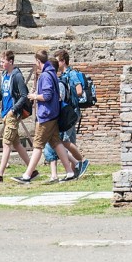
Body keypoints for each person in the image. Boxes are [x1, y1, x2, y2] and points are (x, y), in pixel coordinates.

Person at [13, 50, 77, 184]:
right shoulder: (51, 73)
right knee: (56, 143)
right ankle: (70, 171)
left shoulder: (46, 75)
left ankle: (27, 175)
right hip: (53, 114)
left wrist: (34, 96)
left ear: (37, 61)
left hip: (46, 115)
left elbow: (47, 96)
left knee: (38, 145)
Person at [0, 51, 36, 183]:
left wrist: (13, 110)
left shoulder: (17, 76)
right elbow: (1, 96)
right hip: (6, 113)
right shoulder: (4, 75)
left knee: (6, 143)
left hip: (12, 114)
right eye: (1, 61)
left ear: (11, 61)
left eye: (3, 61)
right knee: (16, 143)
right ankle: (33, 170)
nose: (1, 64)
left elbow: (24, 95)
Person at [42, 49, 89, 182]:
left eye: (57, 61)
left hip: (70, 111)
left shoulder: (72, 74)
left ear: (63, 61)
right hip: (65, 112)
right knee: (63, 141)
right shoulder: (62, 75)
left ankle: (82, 162)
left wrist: (68, 98)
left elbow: (79, 91)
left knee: (65, 142)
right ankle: (74, 171)